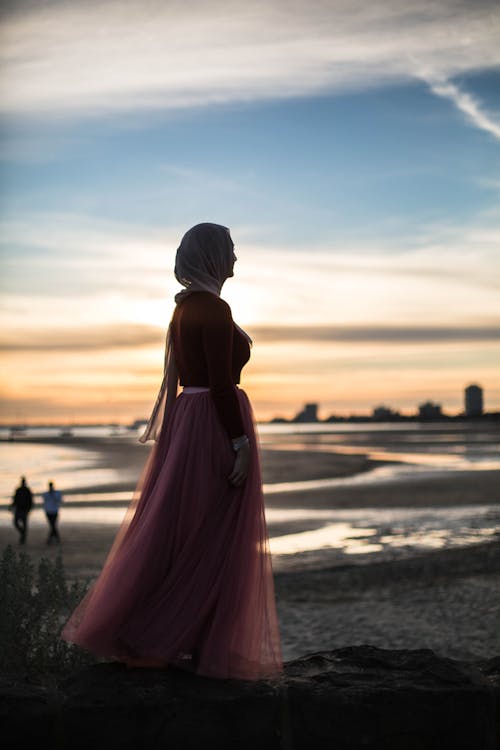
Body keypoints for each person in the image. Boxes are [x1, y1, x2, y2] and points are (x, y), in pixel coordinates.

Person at [60, 223, 283, 680]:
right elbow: (221, 384)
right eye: (231, 250)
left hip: (190, 420)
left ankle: (179, 636)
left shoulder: (182, 310)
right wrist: (239, 443)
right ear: (213, 256)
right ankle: (188, 640)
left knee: (187, 527)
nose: (236, 259)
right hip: (213, 425)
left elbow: (187, 382)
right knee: (213, 531)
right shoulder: (214, 309)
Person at [11, 476, 33, 544]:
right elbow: (15, 499)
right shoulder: (18, 489)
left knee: (24, 524)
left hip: (24, 510)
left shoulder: (27, 490)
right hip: (18, 509)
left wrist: (29, 509)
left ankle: (23, 537)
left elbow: (30, 500)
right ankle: (22, 533)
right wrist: (11, 506)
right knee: (16, 523)